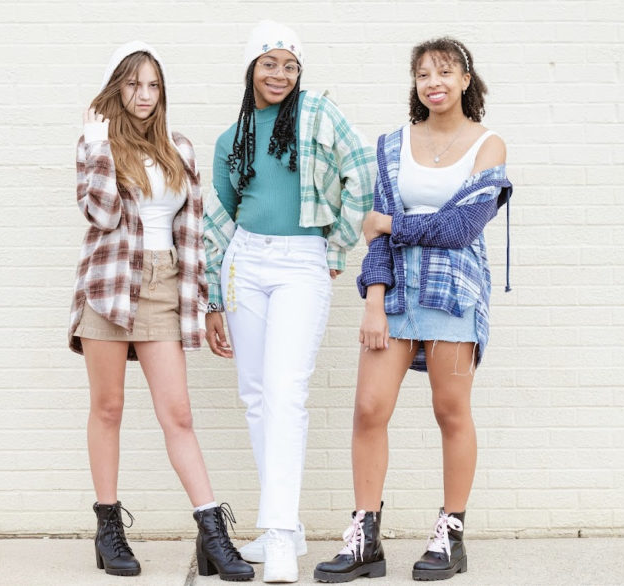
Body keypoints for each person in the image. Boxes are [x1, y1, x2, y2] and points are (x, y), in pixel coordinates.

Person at [314, 37, 512, 583]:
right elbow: (375, 235)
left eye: (445, 72)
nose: (435, 83)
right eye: (424, 74)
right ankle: (365, 539)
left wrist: (393, 224)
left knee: (451, 412)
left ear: (466, 80)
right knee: (369, 410)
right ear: (415, 84)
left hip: (453, 294)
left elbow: (461, 228)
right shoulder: (391, 143)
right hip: (396, 295)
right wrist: (373, 301)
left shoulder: (488, 145)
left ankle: (450, 534)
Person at [68, 40, 253, 581]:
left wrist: (204, 302)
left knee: (178, 414)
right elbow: (100, 214)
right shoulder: (95, 144)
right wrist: (99, 143)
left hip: (163, 282)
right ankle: (108, 528)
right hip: (109, 284)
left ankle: (211, 532)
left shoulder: (180, 148)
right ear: (115, 89)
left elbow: (192, 236)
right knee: (108, 408)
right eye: (132, 84)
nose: (143, 95)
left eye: (152, 85)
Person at [203, 20, 375, 584]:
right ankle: (289, 526)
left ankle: (278, 537)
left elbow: (363, 175)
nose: (280, 73)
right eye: (270, 62)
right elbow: (221, 217)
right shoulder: (233, 138)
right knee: (255, 395)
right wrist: (212, 296)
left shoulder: (319, 115)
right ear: (251, 68)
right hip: (246, 263)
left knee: (285, 393)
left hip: (302, 261)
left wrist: (338, 243)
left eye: (290, 64)